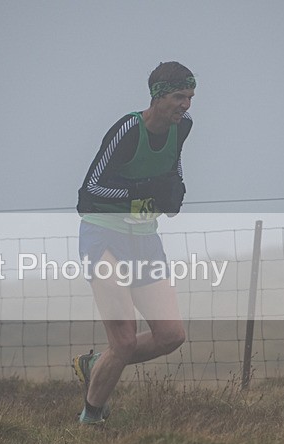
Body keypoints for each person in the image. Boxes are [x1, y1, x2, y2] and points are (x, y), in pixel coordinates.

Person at [72, 62, 195, 424]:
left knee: (171, 335)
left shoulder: (182, 127)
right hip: (103, 235)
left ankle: (96, 364)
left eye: (189, 97)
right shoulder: (129, 128)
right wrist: (141, 190)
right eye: (178, 97)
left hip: (144, 239)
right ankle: (91, 420)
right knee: (123, 341)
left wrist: (175, 192)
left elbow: (173, 166)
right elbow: (89, 191)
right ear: (157, 96)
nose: (185, 105)